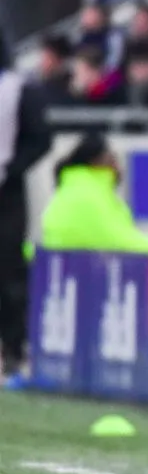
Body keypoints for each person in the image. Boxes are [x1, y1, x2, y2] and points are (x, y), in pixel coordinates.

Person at [0, 31, 52, 376]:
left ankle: (13, 349)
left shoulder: (19, 88)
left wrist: (11, 168)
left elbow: (40, 138)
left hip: (7, 194)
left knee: (8, 272)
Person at [39, 132, 148, 256]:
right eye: (113, 159)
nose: (119, 167)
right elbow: (118, 241)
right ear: (97, 162)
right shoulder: (87, 194)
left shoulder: (76, 188)